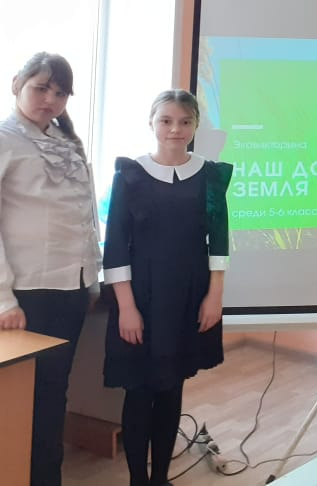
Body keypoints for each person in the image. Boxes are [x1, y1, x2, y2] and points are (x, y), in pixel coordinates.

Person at [103, 89, 232, 486]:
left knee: (172, 387)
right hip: (140, 297)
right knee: (139, 390)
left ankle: (160, 478)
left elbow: (219, 241)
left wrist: (214, 297)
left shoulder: (210, 176)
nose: (175, 129)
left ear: (195, 126)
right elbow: (115, 245)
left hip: (188, 296)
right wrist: (127, 307)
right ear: (152, 123)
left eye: (184, 121)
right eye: (166, 120)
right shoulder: (130, 175)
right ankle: (137, 480)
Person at [0, 52, 101, 486]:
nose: (50, 100)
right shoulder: (5, 139)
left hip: (70, 288)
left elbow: (83, 215)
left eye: (60, 93)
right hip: (27, 293)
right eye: (41, 88)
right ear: (16, 84)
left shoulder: (66, 141)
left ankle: (45, 478)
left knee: (52, 392)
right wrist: (3, 299)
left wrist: (91, 279)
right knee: (20, 400)